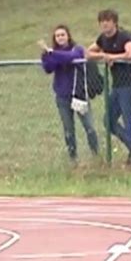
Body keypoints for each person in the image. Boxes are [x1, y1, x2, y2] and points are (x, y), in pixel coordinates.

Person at [86, 9, 131, 165]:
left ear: (114, 22)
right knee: (108, 121)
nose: (104, 23)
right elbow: (87, 53)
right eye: (102, 21)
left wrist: (113, 57)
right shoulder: (103, 39)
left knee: (129, 121)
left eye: (108, 20)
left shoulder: (124, 36)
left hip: (130, 85)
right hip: (116, 86)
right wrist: (103, 55)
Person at [40, 24, 99, 161]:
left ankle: (96, 155)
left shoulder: (77, 49)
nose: (60, 37)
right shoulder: (53, 52)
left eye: (63, 34)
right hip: (62, 96)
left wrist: (52, 53)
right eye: (57, 35)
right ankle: (73, 158)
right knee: (68, 130)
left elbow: (71, 57)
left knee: (89, 127)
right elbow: (48, 68)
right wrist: (46, 56)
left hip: (79, 95)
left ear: (68, 36)